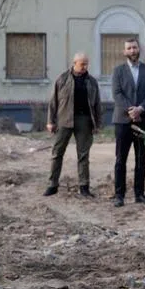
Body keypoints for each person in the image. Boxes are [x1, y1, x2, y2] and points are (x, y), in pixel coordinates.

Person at [43, 53, 102, 198]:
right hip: (64, 120)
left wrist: (97, 124)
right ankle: (52, 185)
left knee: (83, 155)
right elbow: (53, 102)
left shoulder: (92, 82)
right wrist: (50, 121)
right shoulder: (62, 79)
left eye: (86, 64)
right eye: (82, 64)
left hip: (84, 120)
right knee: (57, 152)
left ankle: (84, 187)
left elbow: (98, 105)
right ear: (74, 63)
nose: (85, 67)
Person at [111, 38, 145, 208]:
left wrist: (141, 109)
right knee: (120, 159)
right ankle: (119, 195)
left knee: (141, 159)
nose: (132, 50)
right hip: (123, 121)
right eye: (129, 48)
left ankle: (140, 194)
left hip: (142, 121)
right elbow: (117, 94)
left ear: (139, 49)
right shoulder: (118, 71)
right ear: (124, 52)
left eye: (134, 47)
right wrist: (131, 110)